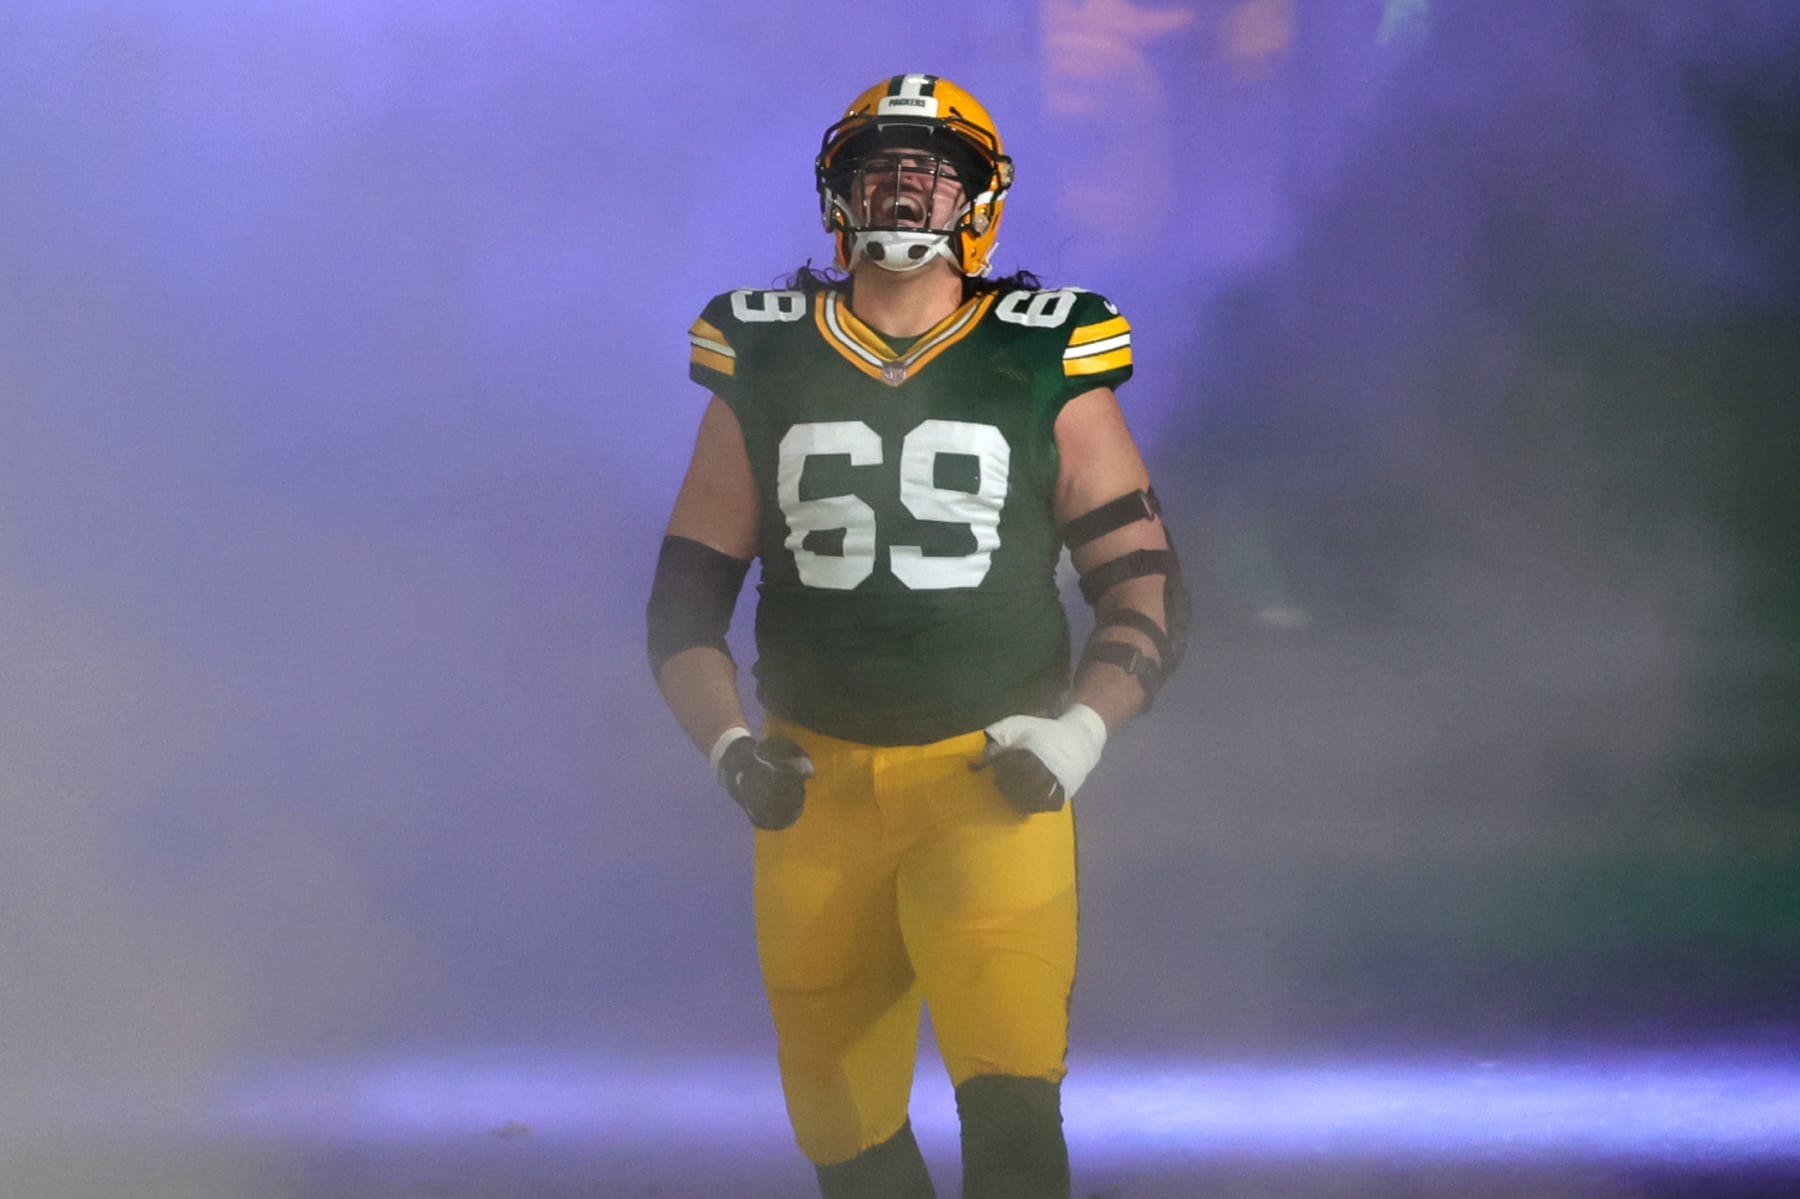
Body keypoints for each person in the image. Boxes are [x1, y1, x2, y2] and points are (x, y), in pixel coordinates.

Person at [646, 73, 1187, 1199]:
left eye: (930, 167)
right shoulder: (765, 346)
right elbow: (684, 600)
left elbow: (1143, 583)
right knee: (843, 1134)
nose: (901, 185)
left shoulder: (1047, 347)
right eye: (879, 165)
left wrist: (1080, 734)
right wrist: (728, 748)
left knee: (1011, 1107)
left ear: (979, 200)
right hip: (813, 787)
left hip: (987, 784)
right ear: (835, 194)